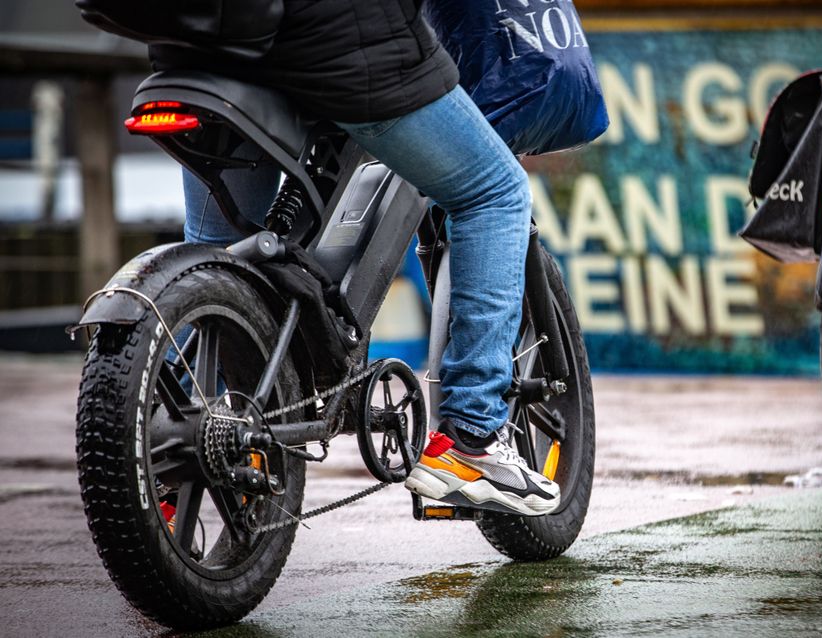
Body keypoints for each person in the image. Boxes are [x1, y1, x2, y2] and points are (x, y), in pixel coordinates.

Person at [151, 0, 560, 516]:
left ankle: (153, 450)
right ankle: (472, 440)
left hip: (196, 44)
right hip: (336, 40)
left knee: (211, 258)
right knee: (494, 189)